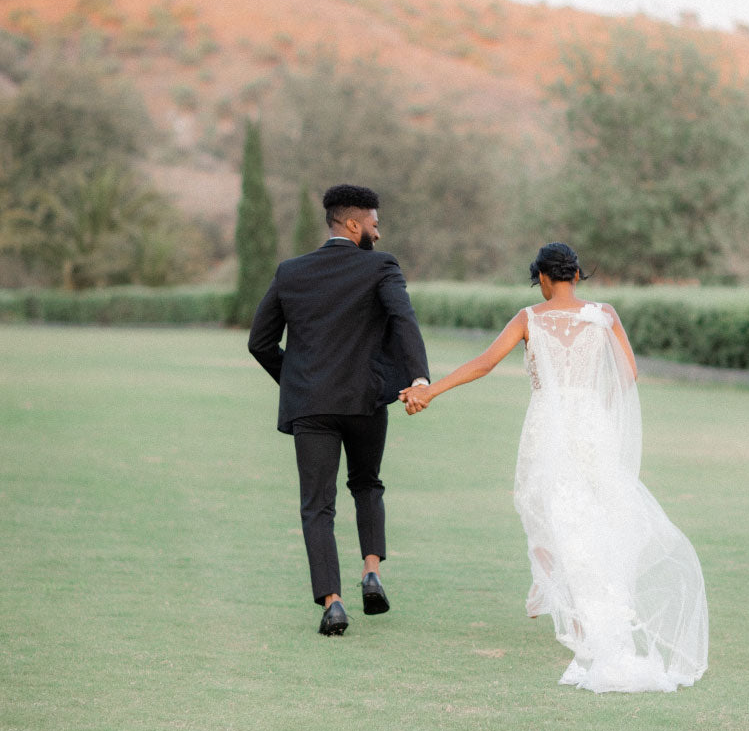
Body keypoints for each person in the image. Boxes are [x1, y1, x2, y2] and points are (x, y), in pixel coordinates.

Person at [401, 243, 708, 692]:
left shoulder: (529, 318)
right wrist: (597, 408)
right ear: (577, 274)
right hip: (591, 427)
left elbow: (485, 363)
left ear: (543, 278)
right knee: (593, 513)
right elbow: (629, 374)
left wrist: (431, 391)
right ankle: (579, 604)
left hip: (547, 427)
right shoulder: (605, 315)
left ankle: (564, 601)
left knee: (546, 509)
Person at [248, 183, 430, 636]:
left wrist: (297, 380)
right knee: (367, 483)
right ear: (353, 224)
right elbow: (403, 319)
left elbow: (260, 342)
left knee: (317, 506)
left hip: (312, 405)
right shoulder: (381, 267)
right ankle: (372, 571)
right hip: (366, 401)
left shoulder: (290, 272)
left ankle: (332, 603)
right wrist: (419, 377)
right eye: (373, 223)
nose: (377, 233)